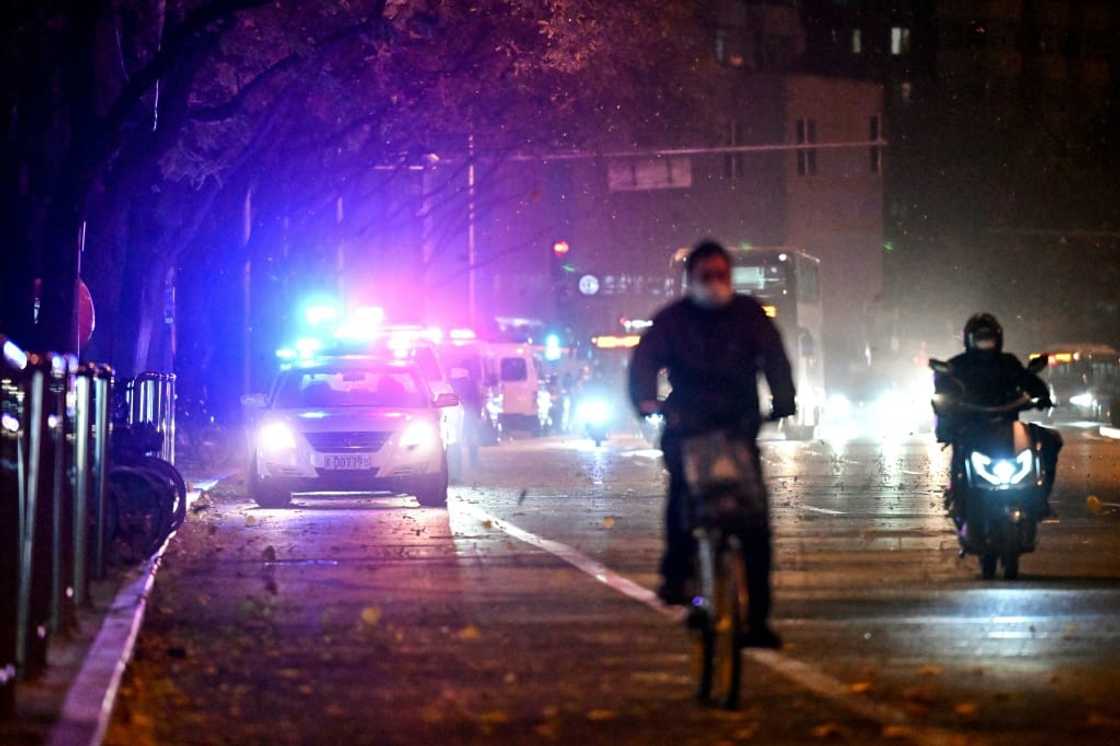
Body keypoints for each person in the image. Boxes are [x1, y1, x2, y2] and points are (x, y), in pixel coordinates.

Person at [628, 240, 795, 649]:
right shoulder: (672, 321)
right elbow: (644, 364)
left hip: (738, 427)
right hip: (687, 426)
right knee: (683, 497)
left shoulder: (749, 316)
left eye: (722, 275)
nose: (715, 283)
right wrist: (646, 402)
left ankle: (756, 619)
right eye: (707, 276)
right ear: (690, 280)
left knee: (754, 522)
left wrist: (784, 402)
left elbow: (775, 359)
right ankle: (676, 576)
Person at [934, 313, 1061, 519]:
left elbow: (1028, 379)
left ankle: (1040, 499)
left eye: (989, 338)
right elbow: (943, 387)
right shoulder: (958, 365)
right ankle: (957, 495)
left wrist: (1042, 396)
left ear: (998, 338)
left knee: (1051, 440)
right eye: (980, 338)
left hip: (1008, 425)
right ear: (970, 339)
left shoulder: (1008, 362)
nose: (985, 343)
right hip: (971, 426)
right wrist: (946, 402)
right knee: (959, 445)